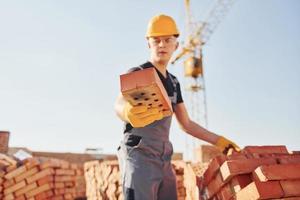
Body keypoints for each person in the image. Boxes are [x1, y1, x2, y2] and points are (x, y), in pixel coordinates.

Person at [115, 14, 240, 200]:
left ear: (176, 45)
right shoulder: (138, 73)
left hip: (164, 157)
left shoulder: (174, 82)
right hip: (139, 154)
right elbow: (118, 103)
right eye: (156, 40)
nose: (162, 45)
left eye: (167, 40)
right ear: (148, 43)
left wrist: (220, 142)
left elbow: (187, 124)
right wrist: (127, 112)